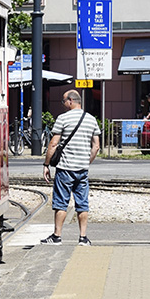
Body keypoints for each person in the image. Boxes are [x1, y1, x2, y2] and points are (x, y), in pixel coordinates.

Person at [41, 89, 102, 245]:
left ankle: (57, 236)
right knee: (82, 203)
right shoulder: (91, 119)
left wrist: (46, 164)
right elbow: (96, 146)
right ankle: (83, 238)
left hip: (65, 168)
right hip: (82, 169)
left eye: (63, 101)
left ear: (70, 101)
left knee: (60, 203)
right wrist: (87, 161)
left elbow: (53, 143)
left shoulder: (62, 118)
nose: (63, 104)